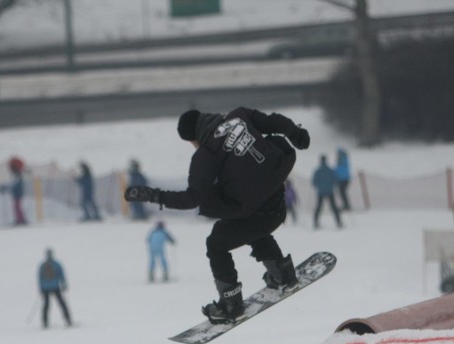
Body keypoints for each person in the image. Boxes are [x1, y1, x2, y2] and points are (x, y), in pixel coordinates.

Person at [125, 107, 310, 323]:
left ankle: (231, 303)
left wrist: (154, 195)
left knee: (216, 245)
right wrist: (296, 135)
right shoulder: (240, 115)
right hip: (276, 203)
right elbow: (274, 121)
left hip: (257, 213)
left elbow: (192, 199)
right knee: (246, 223)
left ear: (193, 137)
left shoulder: (205, 156)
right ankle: (283, 274)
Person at [37, 248, 72, 328]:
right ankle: (68, 320)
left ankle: (45, 323)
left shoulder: (42, 265)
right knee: (62, 304)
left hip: (45, 288)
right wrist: (64, 284)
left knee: (46, 305)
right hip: (55, 286)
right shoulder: (56, 264)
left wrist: (41, 288)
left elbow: (40, 277)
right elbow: (61, 274)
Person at [312, 154, 343, 230]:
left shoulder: (317, 171)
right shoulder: (330, 170)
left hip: (321, 192)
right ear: (326, 160)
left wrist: (318, 185)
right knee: (334, 207)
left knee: (319, 207)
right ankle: (338, 222)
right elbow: (335, 180)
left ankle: (315, 222)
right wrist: (332, 185)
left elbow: (314, 182)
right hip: (330, 191)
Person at [8, 158, 27, 226]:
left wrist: (9, 189)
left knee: (17, 206)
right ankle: (20, 219)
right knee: (17, 206)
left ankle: (20, 220)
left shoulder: (18, 175)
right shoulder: (17, 175)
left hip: (18, 193)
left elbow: (14, 184)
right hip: (17, 193)